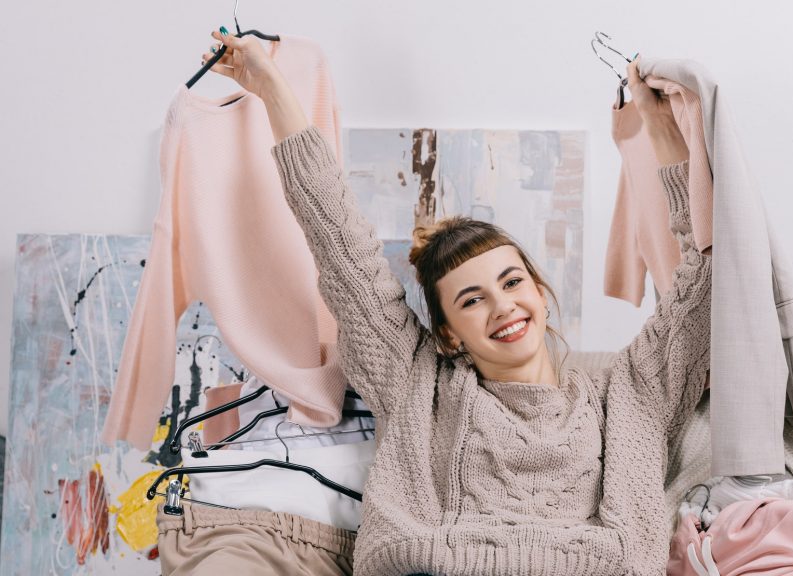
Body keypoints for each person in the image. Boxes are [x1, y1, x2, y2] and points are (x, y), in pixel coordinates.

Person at [202, 27, 709, 576]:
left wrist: (663, 134)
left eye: (513, 283)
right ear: (448, 333)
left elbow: (704, 278)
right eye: (473, 299)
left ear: (539, 291)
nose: (503, 307)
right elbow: (336, 237)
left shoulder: (628, 392)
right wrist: (271, 85)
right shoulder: (418, 381)